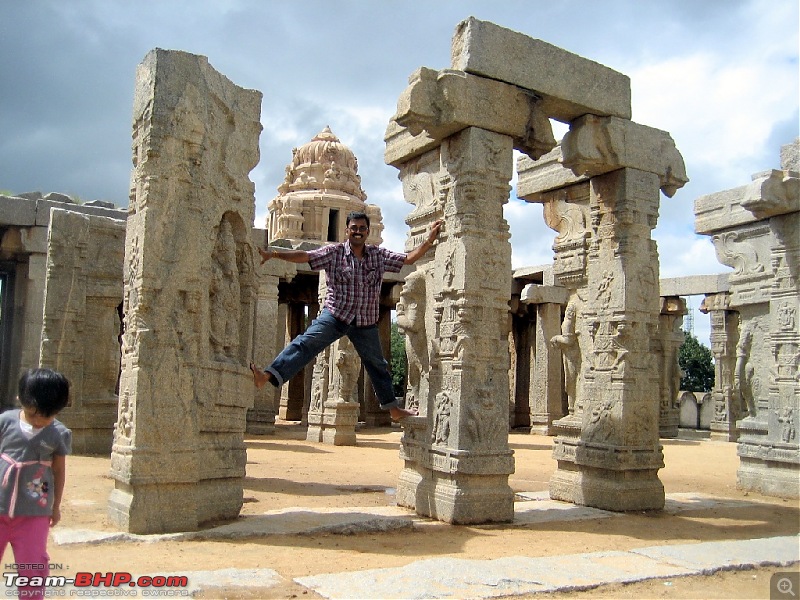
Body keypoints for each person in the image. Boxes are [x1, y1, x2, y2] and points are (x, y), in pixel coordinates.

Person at [250, 211, 442, 421]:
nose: (357, 232)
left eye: (362, 228)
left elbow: (408, 259)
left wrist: (430, 239)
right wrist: (274, 255)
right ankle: (267, 376)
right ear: (347, 230)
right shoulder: (335, 253)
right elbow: (306, 257)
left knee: (378, 365)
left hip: (365, 322)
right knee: (304, 344)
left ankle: (393, 410)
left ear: (368, 232)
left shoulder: (378, 255)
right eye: (354, 228)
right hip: (335, 316)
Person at [0, 368, 72, 599]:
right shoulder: (4, 422)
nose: (39, 421)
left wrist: (55, 506)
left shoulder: (59, 433)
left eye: (47, 416)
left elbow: (59, 471)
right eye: (33, 415)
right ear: (20, 400)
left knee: (32, 567)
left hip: (34, 512)